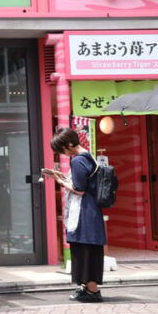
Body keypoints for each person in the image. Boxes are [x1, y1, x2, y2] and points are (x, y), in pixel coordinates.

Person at [46, 128, 106, 303]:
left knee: (84, 248)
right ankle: (88, 288)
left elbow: (79, 190)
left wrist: (60, 181)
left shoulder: (78, 161)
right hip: (91, 210)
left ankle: (92, 291)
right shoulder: (88, 156)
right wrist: (65, 179)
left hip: (84, 212)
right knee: (90, 249)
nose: (63, 153)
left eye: (62, 149)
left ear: (70, 144)